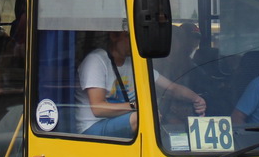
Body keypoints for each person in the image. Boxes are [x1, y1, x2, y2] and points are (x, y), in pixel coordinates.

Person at [76, 29, 205, 139]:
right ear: (114, 36)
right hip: (93, 127)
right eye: (129, 36)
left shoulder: (133, 62)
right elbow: (98, 109)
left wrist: (197, 99)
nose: (135, 41)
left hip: (123, 120)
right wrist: (138, 106)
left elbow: (172, 88)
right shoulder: (96, 60)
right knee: (146, 116)